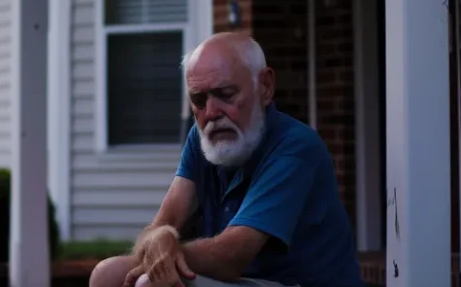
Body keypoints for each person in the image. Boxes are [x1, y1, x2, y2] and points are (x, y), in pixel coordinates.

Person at [89, 32, 363, 287]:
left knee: (151, 284)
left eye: (225, 94)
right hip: (248, 281)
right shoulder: (202, 138)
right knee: (106, 275)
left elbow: (232, 255)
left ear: (265, 87)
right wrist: (161, 236)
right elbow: (163, 223)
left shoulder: (295, 147)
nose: (211, 113)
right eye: (199, 100)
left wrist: (167, 246)